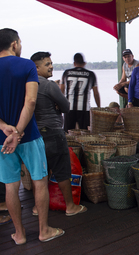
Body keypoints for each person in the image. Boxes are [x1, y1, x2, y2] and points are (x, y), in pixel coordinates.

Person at [0, 28, 64, 244]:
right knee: (39, 181)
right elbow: (30, 102)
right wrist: (18, 131)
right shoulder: (26, 65)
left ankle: (19, 234)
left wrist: (5, 128)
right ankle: (43, 230)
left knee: (11, 185)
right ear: (14, 44)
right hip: (29, 135)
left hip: (2, 139)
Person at [30, 52, 87, 217]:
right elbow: (66, 107)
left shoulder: (27, 85)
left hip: (35, 134)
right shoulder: (49, 85)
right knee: (62, 171)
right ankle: (70, 206)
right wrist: (56, 102)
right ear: (36, 67)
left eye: (51, 63)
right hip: (53, 133)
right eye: (47, 64)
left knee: (40, 173)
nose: (51, 67)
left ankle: (36, 207)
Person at [60, 53, 101, 132]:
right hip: (84, 108)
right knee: (84, 132)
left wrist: (60, 105)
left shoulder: (66, 73)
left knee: (68, 132)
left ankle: (69, 144)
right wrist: (98, 107)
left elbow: (61, 90)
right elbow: (96, 93)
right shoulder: (91, 74)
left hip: (69, 107)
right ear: (84, 63)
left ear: (74, 63)